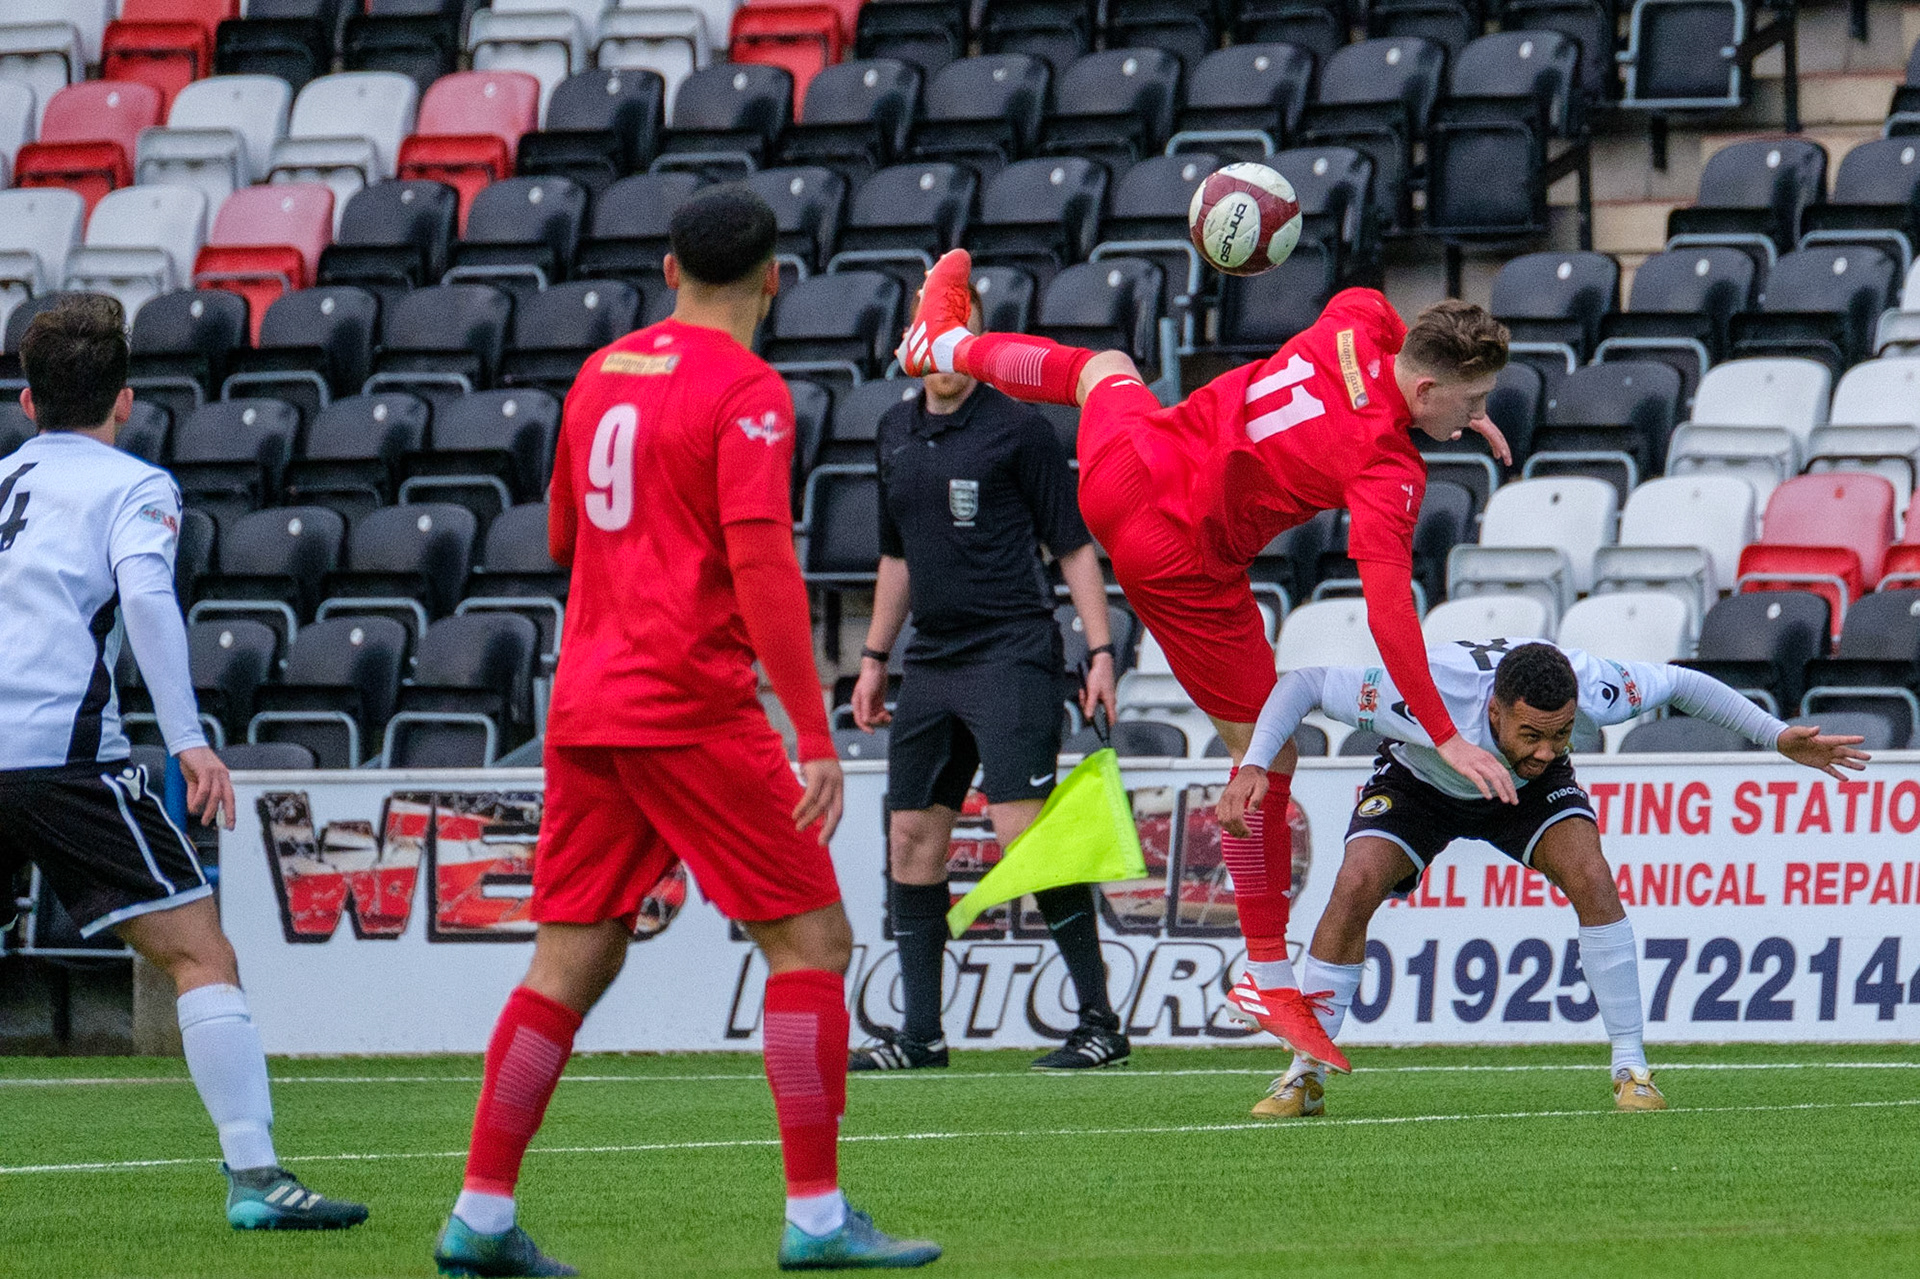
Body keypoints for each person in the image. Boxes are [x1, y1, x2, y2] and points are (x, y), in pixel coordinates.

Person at [432, 188, 940, 1277]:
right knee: (811, 944)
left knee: (572, 957)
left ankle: (479, 1212)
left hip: (588, 703)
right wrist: (811, 731)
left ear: (669, 271)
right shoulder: (749, 390)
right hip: (689, 702)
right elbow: (760, 563)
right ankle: (815, 1218)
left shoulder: (600, 371)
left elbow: (566, 530)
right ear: (774, 279)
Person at [898, 248, 1516, 1069]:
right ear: (1430, 389)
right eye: (1471, 400)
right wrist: (1445, 734)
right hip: (1178, 554)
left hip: (1131, 463)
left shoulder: (1359, 319)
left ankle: (939, 347)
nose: (1476, 413)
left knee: (1102, 368)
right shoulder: (1386, 467)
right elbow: (1390, 615)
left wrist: (1455, 409)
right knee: (1266, 751)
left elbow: (1390, 332)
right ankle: (1265, 971)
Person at [0, 295, 367, 1230]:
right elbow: (149, 602)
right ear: (124, 402)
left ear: (28, 403)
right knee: (200, 953)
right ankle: (256, 1177)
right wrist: (191, 737)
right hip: (64, 757)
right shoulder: (135, 486)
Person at [1218, 639, 1870, 1118]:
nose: (1545, 746)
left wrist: (1778, 735)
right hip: (1422, 781)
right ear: (1495, 710)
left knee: (1592, 875)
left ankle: (1632, 1067)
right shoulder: (1418, 688)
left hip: (1527, 797)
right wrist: (1253, 762)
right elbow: (1303, 681)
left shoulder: (1586, 695)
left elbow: (1679, 683)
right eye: (1531, 731)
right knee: (1356, 884)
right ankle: (1304, 1075)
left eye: (1560, 734)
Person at [849, 287, 1126, 1072]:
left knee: (1023, 834)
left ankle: (1100, 1025)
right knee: (911, 839)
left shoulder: (1019, 428)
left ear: (971, 335)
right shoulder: (894, 428)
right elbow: (895, 556)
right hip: (931, 659)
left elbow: (1072, 546)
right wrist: (874, 659)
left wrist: (1099, 651)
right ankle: (921, 1037)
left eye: (953, 329)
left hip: (1012, 650)